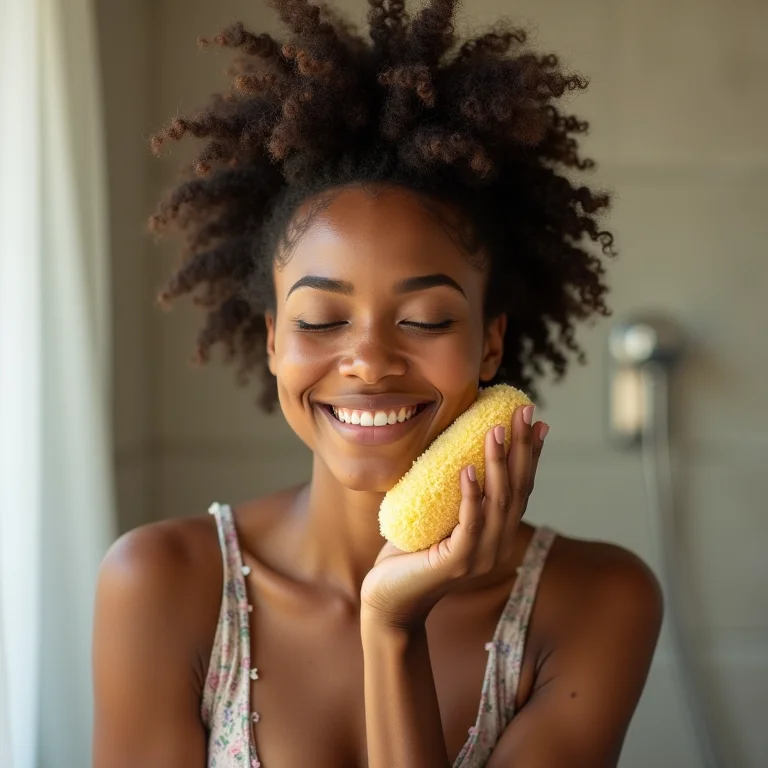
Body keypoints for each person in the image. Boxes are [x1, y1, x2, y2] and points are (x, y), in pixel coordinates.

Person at [92, 2, 663, 766]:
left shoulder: (598, 600)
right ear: (273, 341)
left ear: (491, 343)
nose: (368, 360)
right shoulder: (162, 584)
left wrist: (393, 627)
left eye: (425, 320)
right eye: (321, 320)